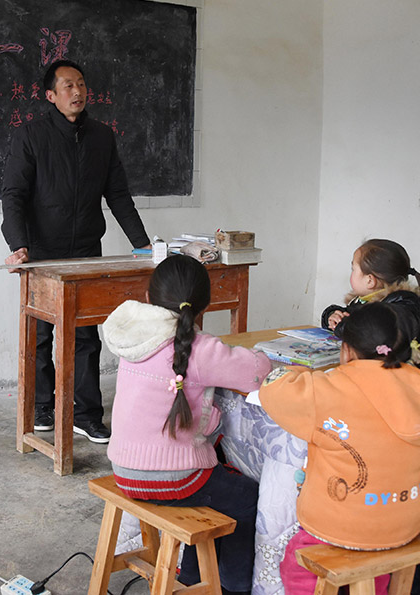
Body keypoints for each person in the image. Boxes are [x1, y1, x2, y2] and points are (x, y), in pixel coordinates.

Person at [260, 302, 420, 595]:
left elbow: (272, 388)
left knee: (296, 564)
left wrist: (295, 371)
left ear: (346, 351)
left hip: (334, 524)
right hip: (403, 524)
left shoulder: (328, 388)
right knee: (373, 571)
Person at [102, 254, 272, 595]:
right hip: (175, 478)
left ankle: (193, 577)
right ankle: (233, 587)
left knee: (217, 491)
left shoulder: (133, 336)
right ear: (204, 305)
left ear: (148, 297)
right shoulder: (201, 349)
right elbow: (258, 371)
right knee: (247, 497)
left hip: (123, 469)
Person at [1, 59, 150, 443]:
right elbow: (13, 195)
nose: (77, 91)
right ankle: (42, 407)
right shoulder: (31, 136)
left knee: (86, 335)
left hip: (85, 250)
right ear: (51, 95)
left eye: (81, 84)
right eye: (68, 85)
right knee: (40, 335)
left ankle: (86, 414)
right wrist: (18, 246)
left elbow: (118, 195)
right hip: (42, 252)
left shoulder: (102, 136)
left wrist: (143, 245)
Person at [320, 239, 420, 364]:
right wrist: (333, 316)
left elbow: (371, 333)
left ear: (370, 280)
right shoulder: (364, 300)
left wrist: (342, 325)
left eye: (353, 269)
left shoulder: (403, 305)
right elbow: (351, 315)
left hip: (397, 368)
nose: (351, 273)